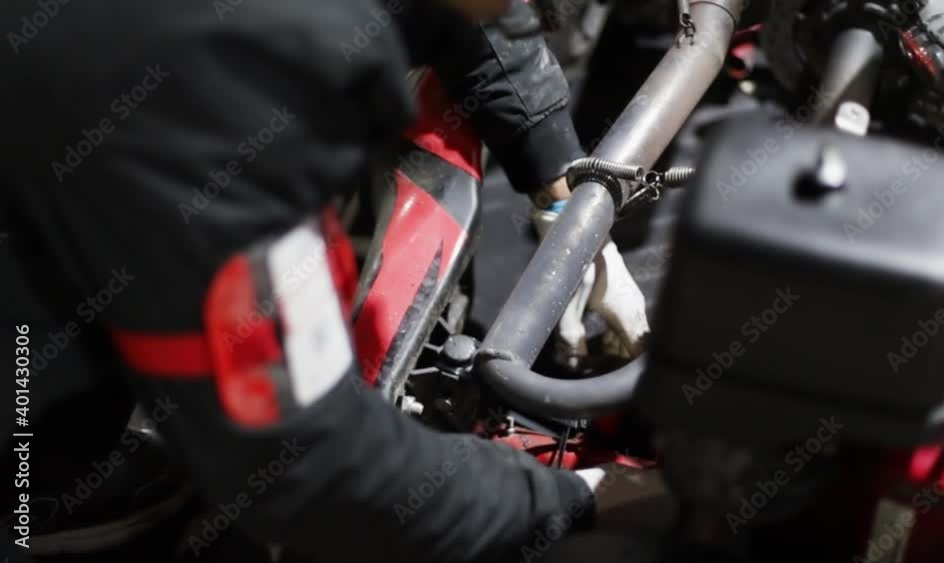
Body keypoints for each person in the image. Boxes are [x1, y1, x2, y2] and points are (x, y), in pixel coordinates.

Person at [0, 0, 658, 561]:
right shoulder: (227, 78)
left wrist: (558, 180)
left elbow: (466, 12)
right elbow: (306, 467)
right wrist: (576, 499)